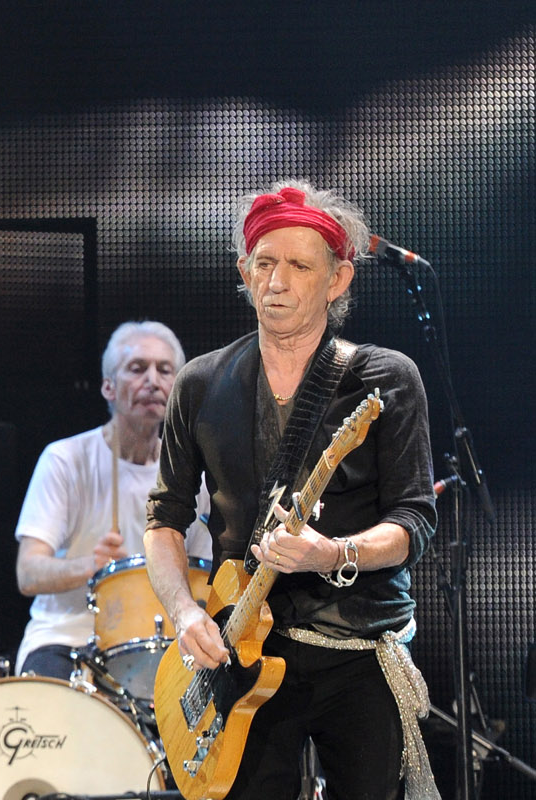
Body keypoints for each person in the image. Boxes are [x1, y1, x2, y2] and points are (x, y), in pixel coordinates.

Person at [145, 180, 438, 799]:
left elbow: (414, 520)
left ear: (338, 280)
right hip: (243, 651)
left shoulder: (386, 378)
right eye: (264, 264)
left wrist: (334, 554)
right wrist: (183, 610)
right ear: (244, 272)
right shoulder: (200, 382)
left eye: (298, 266)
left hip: (356, 646)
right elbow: (165, 520)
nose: (276, 281)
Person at [14, 321, 210, 678]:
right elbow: (28, 573)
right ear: (108, 386)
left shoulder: (194, 475)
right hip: (67, 637)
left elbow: (205, 575)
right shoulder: (65, 459)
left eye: (165, 371)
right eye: (137, 369)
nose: (152, 380)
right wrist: (91, 565)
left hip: (164, 644)